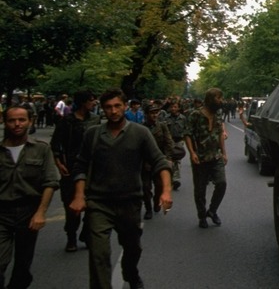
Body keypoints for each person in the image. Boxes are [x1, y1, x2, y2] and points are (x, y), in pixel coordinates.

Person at [69, 88, 172, 289]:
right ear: (102, 110)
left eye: (117, 106)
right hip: (99, 203)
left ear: (125, 106)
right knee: (99, 255)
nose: (113, 111)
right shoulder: (93, 134)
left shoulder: (140, 133)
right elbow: (80, 166)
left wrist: (166, 190)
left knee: (132, 249)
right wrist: (79, 195)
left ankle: (131, 273)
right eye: (108, 107)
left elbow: (160, 161)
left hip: (130, 203)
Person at [0, 106, 59, 289]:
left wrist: (41, 212)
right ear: (4, 122)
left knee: (22, 266)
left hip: (28, 213)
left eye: (21, 120)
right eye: (12, 120)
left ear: (30, 121)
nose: (17, 124)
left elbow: (50, 182)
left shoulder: (40, 149)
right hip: (2, 212)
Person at [50, 89, 100, 252]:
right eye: (91, 100)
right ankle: (71, 236)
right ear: (83, 102)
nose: (94, 103)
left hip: (93, 167)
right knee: (72, 206)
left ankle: (86, 233)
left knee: (94, 204)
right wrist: (59, 162)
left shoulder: (95, 120)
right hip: (72, 166)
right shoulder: (67, 121)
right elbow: (55, 143)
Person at [185, 87, 227, 229]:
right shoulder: (195, 114)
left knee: (221, 183)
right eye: (218, 98)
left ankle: (212, 211)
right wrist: (192, 152)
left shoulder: (219, 114)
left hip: (216, 156)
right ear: (210, 99)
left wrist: (224, 153)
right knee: (200, 190)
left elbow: (220, 133)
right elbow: (188, 134)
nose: (221, 101)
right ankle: (202, 216)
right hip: (200, 158)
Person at [141, 103, 175, 220]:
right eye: (152, 113)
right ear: (146, 114)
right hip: (145, 162)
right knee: (145, 187)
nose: (154, 115)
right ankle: (148, 208)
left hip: (159, 161)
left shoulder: (162, 126)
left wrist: (168, 158)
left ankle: (156, 202)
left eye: (156, 113)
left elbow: (168, 142)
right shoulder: (141, 128)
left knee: (160, 185)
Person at [164, 100, 188, 191]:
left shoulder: (183, 118)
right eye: (172, 107)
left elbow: (186, 129)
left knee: (177, 160)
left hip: (179, 141)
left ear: (178, 108)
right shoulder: (166, 118)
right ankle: (168, 179)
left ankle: (175, 179)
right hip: (169, 141)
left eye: (175, 107)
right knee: (169, 159)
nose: (173, 109)